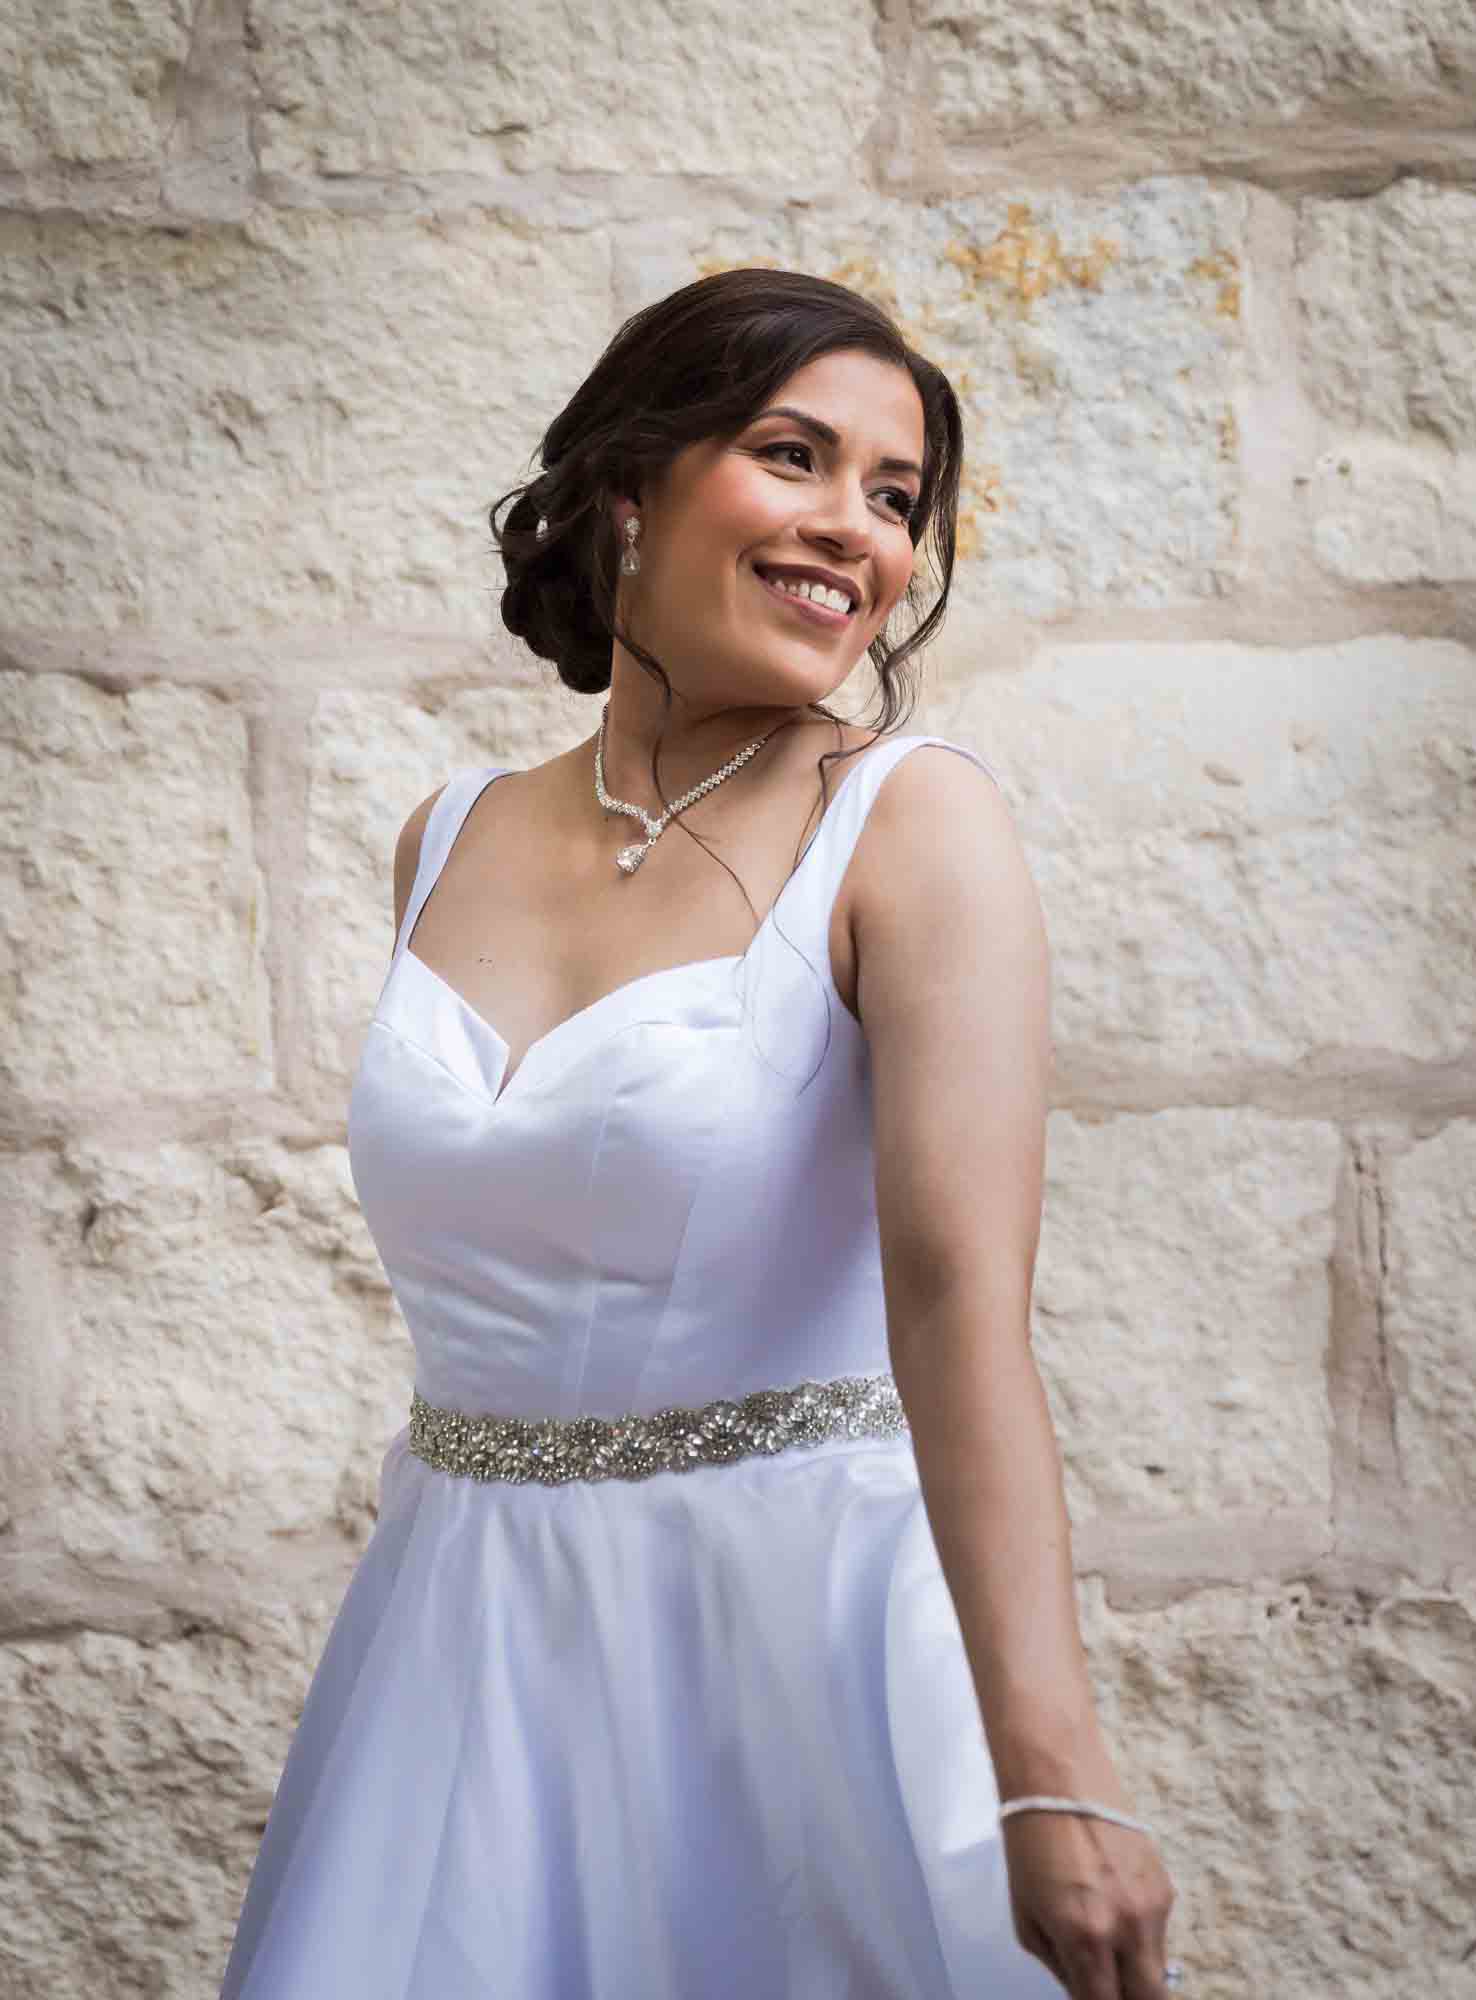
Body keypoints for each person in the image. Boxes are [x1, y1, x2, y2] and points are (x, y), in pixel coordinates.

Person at [220, 267, 1179, 1999]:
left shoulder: (909, 823)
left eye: (896, 498)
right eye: (794, 456)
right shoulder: (445, 835)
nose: (855, 530)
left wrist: (1050, 1763)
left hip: (793, 1654)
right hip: (464, 1648)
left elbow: (964, 1306)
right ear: (629, 489)